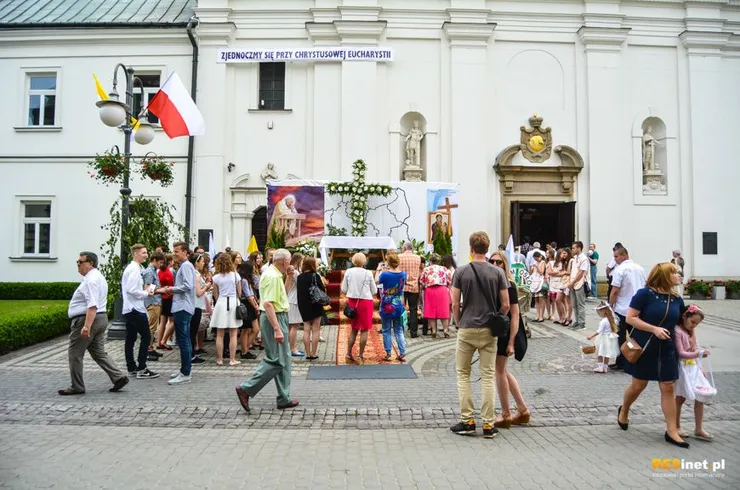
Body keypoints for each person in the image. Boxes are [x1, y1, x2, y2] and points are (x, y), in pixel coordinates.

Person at [618, 262, 688, 448]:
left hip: (667, 348)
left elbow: (683, 325)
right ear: (665, 275)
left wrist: (693, 346)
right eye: (675, 273)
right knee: (639, 385)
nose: (679, 276)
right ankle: (624, 409)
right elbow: (630, 318)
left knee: (668, 388)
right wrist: (654, 329)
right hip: (645, 346)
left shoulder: (676, 298)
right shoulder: (644, 294)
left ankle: (671, 430)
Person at [450, 232, 510, 439]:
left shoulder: (461, 271)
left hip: (467, 327)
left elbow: (454, 303)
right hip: (488, 329)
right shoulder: (497, 273)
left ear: (471, 248)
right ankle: (488, 425)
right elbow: (505, 304)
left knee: (463, 374)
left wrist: (458, 322)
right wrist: (497, 317)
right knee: (488, 376)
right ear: (487, 248)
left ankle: (467, 421)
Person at [235, 249, 299, 412]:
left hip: (279, 315)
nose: (290, 264)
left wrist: (289, 277)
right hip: (274, 318)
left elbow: (282, 295)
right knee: (277, 360)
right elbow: (268, 304)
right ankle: (246, 388)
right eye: (289, 261)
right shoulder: (271, 276)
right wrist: (277, 328)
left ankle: (284, 397)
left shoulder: (275, 274)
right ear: (284, 261)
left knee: (284, 359)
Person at [58, 251, 128, 395]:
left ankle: (77, 386)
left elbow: (92, 305)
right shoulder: (98, 277)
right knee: (98, 352)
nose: (78, 265)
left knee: (75, 353)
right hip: (100, 318)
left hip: (89, 319)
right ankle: (118, 376)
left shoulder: (91, 280)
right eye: (77, 262)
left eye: (81, 262)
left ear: (91, 263)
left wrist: (86, 326)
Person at [488, 250, 530, 429]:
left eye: (499, 262)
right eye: (493, 262)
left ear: (505, 264)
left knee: (499, 371)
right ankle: (522, 409)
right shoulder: (493, 282)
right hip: (499, 330)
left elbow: (515, 316)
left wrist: (512, 341)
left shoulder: (509, 284)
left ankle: (506, 413)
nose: (496, 265)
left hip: (505, 332)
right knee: (503, 371)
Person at [674, 305, 714, 442]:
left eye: (697, 324)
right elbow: (680, 353)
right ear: (685, 316)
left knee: (700, 396)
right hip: (682, 368)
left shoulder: (690, 332)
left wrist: (700, 365)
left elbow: (695, 348)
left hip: (693, 367)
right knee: (680, 398)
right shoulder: (678, 331)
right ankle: (676, 426)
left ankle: (699, 428)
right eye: (693, 322)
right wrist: (698, 353)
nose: (694, 326)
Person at [121, 244, 159, 379]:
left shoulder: (134, 268)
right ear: (135, 254)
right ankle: (142, 368)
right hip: (135, 308)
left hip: (130, 308)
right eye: (144, 253)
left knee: (130, 338)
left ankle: (132, 367)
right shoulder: (134, 269)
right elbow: (131, 290)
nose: (146, 255)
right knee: (146, 336)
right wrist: (145, 293)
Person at [609, 246, 647, 370]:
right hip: (638, 308)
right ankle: (635, 359)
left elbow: (615, 291)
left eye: (616, 257)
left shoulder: (619, 270)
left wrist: (610, 306)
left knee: (621, 336)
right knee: (636, 335)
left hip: (622, 307)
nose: (615, 259)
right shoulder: (640, 268)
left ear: (624, 255)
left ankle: (622, 361)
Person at [169, 242, 197, 385]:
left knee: (183, 340)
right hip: (184, 306)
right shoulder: (186, 266)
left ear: (185, 252)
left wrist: (170, 289)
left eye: (177, 251)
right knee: (184, 340)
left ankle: (186, 372)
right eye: (174, 251)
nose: (174, 253)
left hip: (182, 306)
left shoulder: (186, 266)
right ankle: (185, 369)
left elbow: (187, 286)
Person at [342, 253, 378, 364]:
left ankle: (348, 354)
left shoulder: (349, 272)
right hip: (366, 302)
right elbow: (374, 291)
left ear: (353, 261)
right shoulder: (368, 273)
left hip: (353, 302)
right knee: (364, 330)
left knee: (354, 329)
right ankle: (361, 356)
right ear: (364, 261)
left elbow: (344, 289)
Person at [211, 253, 242, 366]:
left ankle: (219, 359)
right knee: (233, 334)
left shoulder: (216, 277)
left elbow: (215, 294)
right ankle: (232, 359)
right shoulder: (235, 275)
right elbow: (240, 292)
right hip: (233, 302)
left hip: (221, 303)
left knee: (220, 334)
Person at [377, 252, 408, 362]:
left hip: (387, 302)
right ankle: (402, 351)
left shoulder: (385, 274)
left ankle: (388, 353)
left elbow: (377, 281)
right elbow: (403, 287)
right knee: (398, 329)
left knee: (386, 329)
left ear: (388, 262)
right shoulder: (403, 274)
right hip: (398, 302)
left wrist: (379, 269)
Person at [297, 257, 326, 361]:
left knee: (306, 330)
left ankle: (307, 353)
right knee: (316, 329)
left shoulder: (299, 277)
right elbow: (322, 289)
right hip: (316, 304)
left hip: (303, 305)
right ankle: (313, 353)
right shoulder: (315, 276)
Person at [419, 254, 453, 338]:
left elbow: (421, 281)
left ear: (430, 261)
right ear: (439, 261)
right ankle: (445, 330)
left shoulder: (426, 269)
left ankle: (434, 330)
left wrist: (424, 287)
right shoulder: (445, 269)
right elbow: (450, 280)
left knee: (431, 311)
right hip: (442, 290)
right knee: (444, 310)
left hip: (430, 290)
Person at [189, 252, 211, 365]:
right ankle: (191, 355)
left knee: (193, 331)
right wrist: (206, 286)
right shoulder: (196, 275)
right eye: (202, 261)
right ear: (196, 262)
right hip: (196, 305)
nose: (203, 263)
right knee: (193, 331)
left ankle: (192, 353)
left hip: (195, 304)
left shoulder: (195, 273)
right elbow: (198, 292)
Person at [143, 252, 165, 362]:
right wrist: (162, 290)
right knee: (151, 327)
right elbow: (148, 289)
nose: (161, 265)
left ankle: (151, 347)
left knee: (153, 327)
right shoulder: (149, 272)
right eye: (160, 262)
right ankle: (148, 349)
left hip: (156, 302)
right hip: (152, 302)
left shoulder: (153, 271)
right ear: (155, 260)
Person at [586, 302, 620, 373]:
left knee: (600, 353)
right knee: (607, 354)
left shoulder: (604, 321)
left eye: (599, 311)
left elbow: (599, 331)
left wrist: (591, 336)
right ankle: (605, 368)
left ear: (603, 311)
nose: (599, 313)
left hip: (603, 338)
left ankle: (600, 367)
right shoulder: (613, 320)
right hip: (610, 338)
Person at [285, 253, 306, 358]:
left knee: (290, 326)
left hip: (290, 299)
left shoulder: (292, 270)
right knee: (294, 326)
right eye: (302, 260)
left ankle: (289, 347)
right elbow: (301, 284)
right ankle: (292, 349)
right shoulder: (296, 272)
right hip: (294, 300)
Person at [237, 262, 259, 360]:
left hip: (249, 304)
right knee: (246, 330)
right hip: (247, 305)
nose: (254, 270)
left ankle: (245, 348)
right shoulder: (244, 280)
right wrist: (255, 306)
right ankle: (244, 350)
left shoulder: (246, 279)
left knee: (253, 329)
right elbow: (248, 295)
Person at [398, 243, 422, 337]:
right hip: (414, 286)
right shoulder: (418, 257)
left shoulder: (399, 257)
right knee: (413, 309)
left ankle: (400, 330)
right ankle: (413, 332)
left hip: (402, 286)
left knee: (400, 308)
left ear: (404, 248)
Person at [568, 241, 590, 330]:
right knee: (574, 304)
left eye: (574, 248)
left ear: (579, 248)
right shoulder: (575, 258)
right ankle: (577, 321)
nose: (572, 249)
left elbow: (581, 273)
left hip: (579, 283)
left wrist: (572, 283)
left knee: (580, 304)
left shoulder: (584, 259)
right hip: (573, 283)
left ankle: (582, 323)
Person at [157, 254, 175, 350]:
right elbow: (172, 286)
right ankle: (164, 340)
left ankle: (159, 342)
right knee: (172, 321)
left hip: (162, 298)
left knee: (162, 321)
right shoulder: (168, 273)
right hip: (169, 297)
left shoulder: (160, 271)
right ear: (169, 262)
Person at [556, 248, 573, 326]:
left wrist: (564, 273)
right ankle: (563, 316)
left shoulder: (571, 261)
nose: (563, 255)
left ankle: (568, 318)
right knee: (558, 299)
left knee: (568, 301)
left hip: (568, 282)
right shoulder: (564, 262)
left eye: (565, 253)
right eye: (562, 253)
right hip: (563, 282)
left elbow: (573, 272)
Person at [529, 251, 547, 323]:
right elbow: (530, 273)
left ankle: (541, 316)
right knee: (536, 299)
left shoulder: (543, 262)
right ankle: (537, 314)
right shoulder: (534, 263)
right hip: (534, 281)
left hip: (540, 281)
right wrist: (531, 268)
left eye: (536, 258)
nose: (535, 260)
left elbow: (541, 272)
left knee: (541, 299)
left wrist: (536, 267)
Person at [547, 250, 564, 323]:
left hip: (562, 283)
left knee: (561, 301)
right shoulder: (551, 263)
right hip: (553, 284)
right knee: (555, 301)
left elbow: (564, 273)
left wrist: (556, 274)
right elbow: (549, 272)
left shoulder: (564, 263)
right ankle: (560, 317)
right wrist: (558, 272)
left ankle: (564, 316)